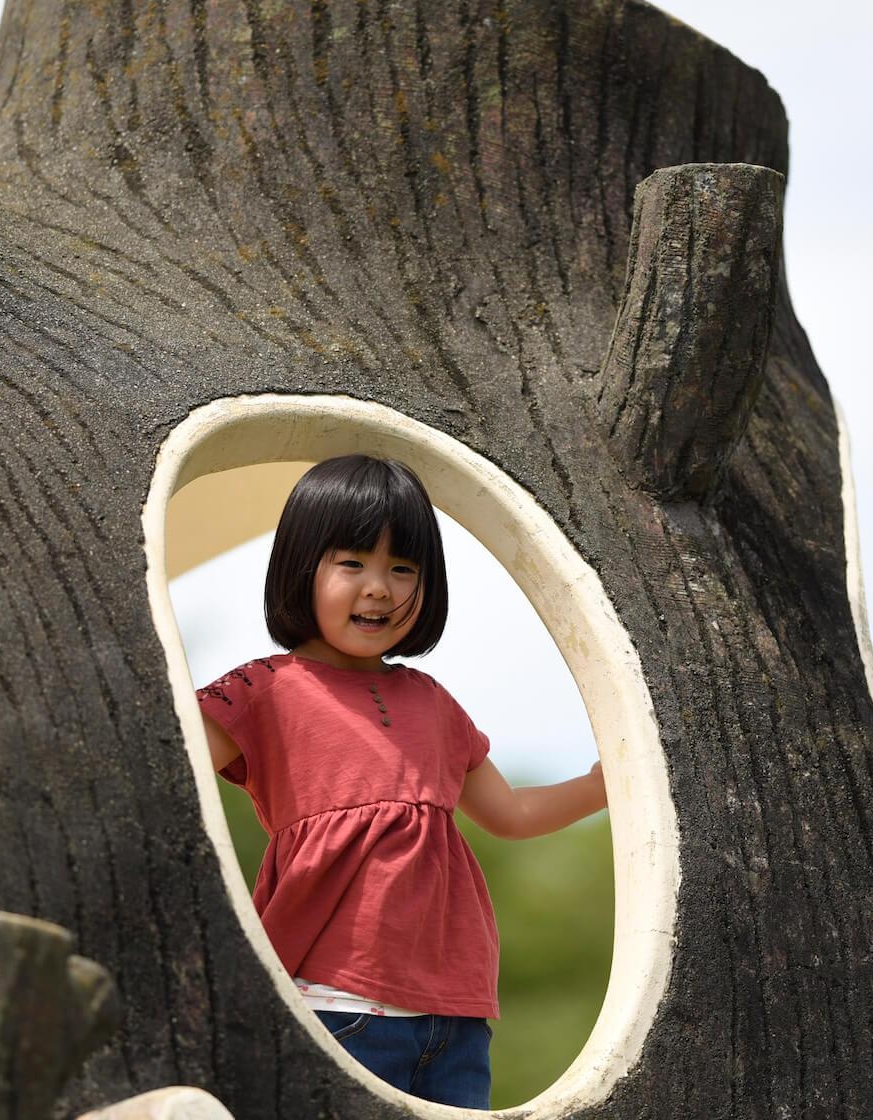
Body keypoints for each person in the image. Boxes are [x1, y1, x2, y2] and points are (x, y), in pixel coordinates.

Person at [194, 453, 607, 1108]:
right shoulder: (263, 692)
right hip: (336, 1004)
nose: (380, 588)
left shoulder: (433, 702)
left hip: (455, 1015)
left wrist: (598, 787)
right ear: (302, 566)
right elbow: (167, 758)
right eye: (352, 563)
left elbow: (511, 813)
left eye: (402, 569)